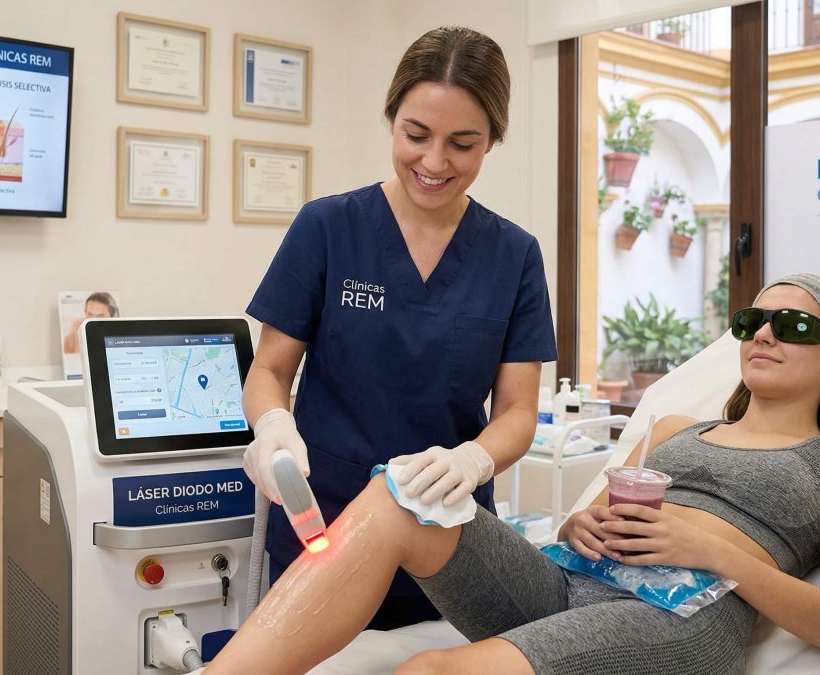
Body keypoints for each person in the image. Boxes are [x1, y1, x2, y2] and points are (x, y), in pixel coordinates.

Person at [208, 273, 820, 674]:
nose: (763, 334)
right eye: (750, 321)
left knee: (426, 671)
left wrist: (715, 552)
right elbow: (591, 515)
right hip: (568, 582)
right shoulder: (671, 428)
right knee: (401, 489)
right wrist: (582, 522)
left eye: (792, 326)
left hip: (677, 616)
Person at [241, 26, 557, 629]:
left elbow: (517, 411)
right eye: (417, 135)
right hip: (323, 524)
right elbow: (270, 371)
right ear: (392, 120)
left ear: (492, 140)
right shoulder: (327, 227)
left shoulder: (514, 254)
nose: (434, 162)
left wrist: (472, 461)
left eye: (462, 144)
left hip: (449, 540)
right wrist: (274, 426)